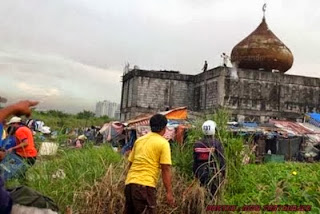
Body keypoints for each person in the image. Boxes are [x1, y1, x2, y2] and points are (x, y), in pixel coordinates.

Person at [124, 114, 175, 214]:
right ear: (164, 128)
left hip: (130, 185)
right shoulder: (163, 143)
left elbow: (130, 164)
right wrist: (169, 193)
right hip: (145, 187)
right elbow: (166, 170)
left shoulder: (139, 141)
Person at [0, 100, 38, 214]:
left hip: (26, 156)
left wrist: (12, 148)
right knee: (22, 173)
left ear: (15, 124)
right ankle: (25, 186)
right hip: (30, 155)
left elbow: (25, 143)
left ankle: (13, 186)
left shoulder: (20, 130)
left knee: (11, 171)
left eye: (11, 125)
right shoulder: (26, 129)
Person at [193, 120, 225, 196]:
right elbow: (221, 160)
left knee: (203, 193)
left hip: (200, 172)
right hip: (213, 172)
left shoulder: (197, 143)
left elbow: (195, 161)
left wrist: (195, 175)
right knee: (213, 194)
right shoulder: (216, 143)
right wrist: (223, 173)